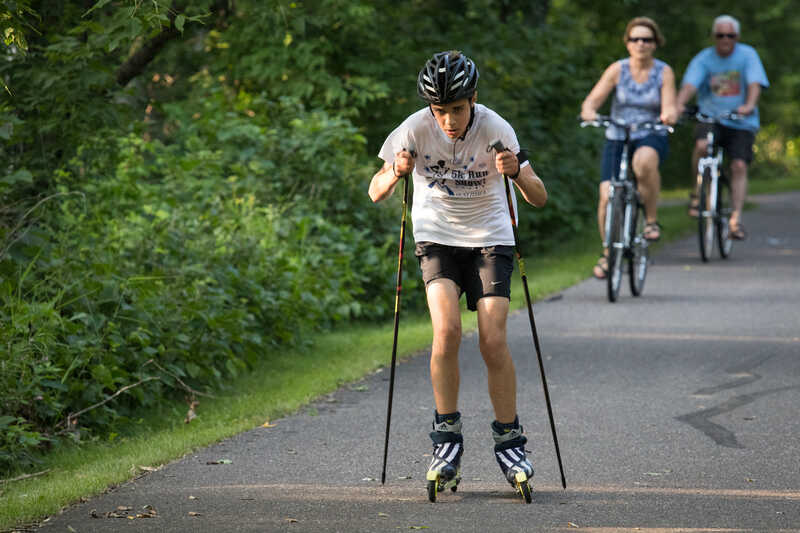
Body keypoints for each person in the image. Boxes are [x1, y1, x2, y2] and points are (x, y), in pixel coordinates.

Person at [368, 50, 547, 494]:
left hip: (491, 237)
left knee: (492, 339)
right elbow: (375, 192)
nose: (449, 120)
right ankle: (446, 439)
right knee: (445, 332)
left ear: (473, 99)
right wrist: (395, 169)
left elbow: (539, 197)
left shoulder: (495, 128)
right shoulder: (413, 128)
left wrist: (517, 173)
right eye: (440, 110)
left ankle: (510, 441)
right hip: (437, 238)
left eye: (458, 109)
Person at [580, 16, 677, 279]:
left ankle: (650, 221)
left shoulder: (663, 71)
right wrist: (590, 113)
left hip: (650, 132)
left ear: (655, 43)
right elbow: (592, 102)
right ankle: (609, 253)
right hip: (618, 133)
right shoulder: (617, 69)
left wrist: (668, 114)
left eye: (647, 39)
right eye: (635, 39)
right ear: (627, 43)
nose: (641, 44)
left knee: (643, 162)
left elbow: (670, 104)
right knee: (606, 194)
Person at [677, 14, 769, 240]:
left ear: (737, 36)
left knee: (738, 165)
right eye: (720, 35)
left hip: (740, 121)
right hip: (710, 118)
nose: (725, 39)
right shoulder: (704, 59)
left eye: (730, 35)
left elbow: (754, 83)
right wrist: (677, 105)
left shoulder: (748, 55)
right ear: (713, 37)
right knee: (701, 145)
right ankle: (698, 194)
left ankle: (735, 219)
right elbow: (690, 85)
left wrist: (749, 105)